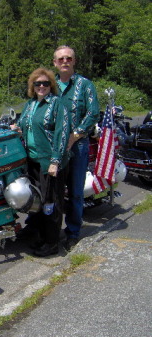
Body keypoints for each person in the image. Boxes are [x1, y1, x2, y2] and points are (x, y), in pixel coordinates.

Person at [15, 67, 71, 257]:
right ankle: (41, 238)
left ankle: (52, 243)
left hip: (50, 163)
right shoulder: (30, 105)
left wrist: (55, 160)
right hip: (32, 161)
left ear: (51, 85)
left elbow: (62, 134)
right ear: (32, 86)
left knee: (51, 203)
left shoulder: (57, 104)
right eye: (37, 83)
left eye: (45, 83)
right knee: (37, 202)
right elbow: (22, 125)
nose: (41, 86)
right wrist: (16, 127)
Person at [53, 46, 100, 251]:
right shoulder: (49, 84)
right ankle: (49, 232)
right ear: (55, 62)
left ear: (74, 61)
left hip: (77, 146)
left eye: (68, 58)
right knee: (50, 191)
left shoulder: (85, 85)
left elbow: (93, 113)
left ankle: (73, 232)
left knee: (75, 192)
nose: (65, 61)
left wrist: (75, 135)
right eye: (61, 58)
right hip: (53, 148)